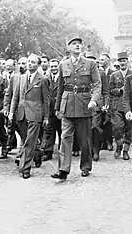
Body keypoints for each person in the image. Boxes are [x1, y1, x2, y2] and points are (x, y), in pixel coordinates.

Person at [51, 34, 101, 180]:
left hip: (84, 104)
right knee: (65, 137)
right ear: (68, 48)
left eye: (79, 43)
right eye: (74, 44)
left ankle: (85, 166)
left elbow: (97, 84)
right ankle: (63, 169)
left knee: (84, 139)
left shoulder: (90, 64)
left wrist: (94, 100)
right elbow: (60, 88)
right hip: (67, 105)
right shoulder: (63, 64)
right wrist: (58, 107)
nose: (77, 46)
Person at [9, 54, 49, 179]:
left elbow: (46, 100)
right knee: (27, 140)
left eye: (33, 62)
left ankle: (25, 168)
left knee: (30, 141)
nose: (30, 64)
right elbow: (15, 96)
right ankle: (37, 154)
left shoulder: (42, 79)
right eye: (29, 62)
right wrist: (11, 112)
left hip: (35, 114)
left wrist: (46, 117)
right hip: (21, 114)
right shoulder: (20, 78)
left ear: (38, 65)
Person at [109, 52, 132, 160]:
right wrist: (119, 90)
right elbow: (110, 90)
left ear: (127, 61)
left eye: (124, 61)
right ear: (118, 62)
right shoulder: (114, 75)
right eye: (120, 61)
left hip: (130, 105)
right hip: (117, 105)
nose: (122, 63)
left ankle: (126, 150)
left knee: (129, 128)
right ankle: (119, 145)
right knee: (117, 127)